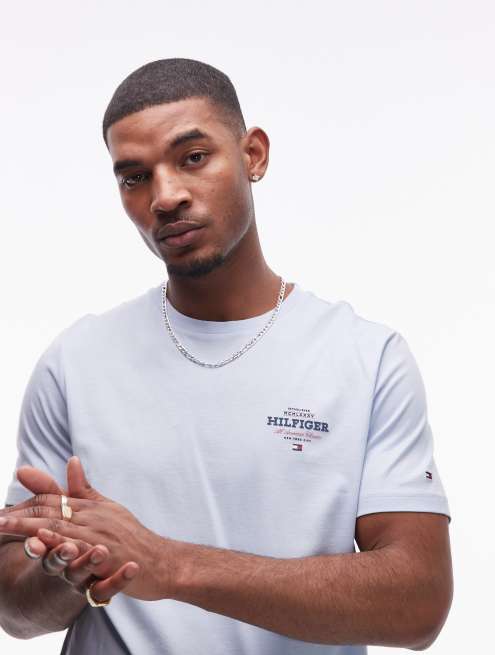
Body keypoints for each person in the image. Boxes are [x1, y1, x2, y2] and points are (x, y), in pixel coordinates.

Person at [0, 58, 453, 654]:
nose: (165, 196)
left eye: (192, 157)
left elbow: (417, 604)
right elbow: (14, 610)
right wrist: (70, 571)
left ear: (253, 155)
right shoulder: (75, 361)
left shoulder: (366, 358)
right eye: (134, 177)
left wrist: (170, 564)